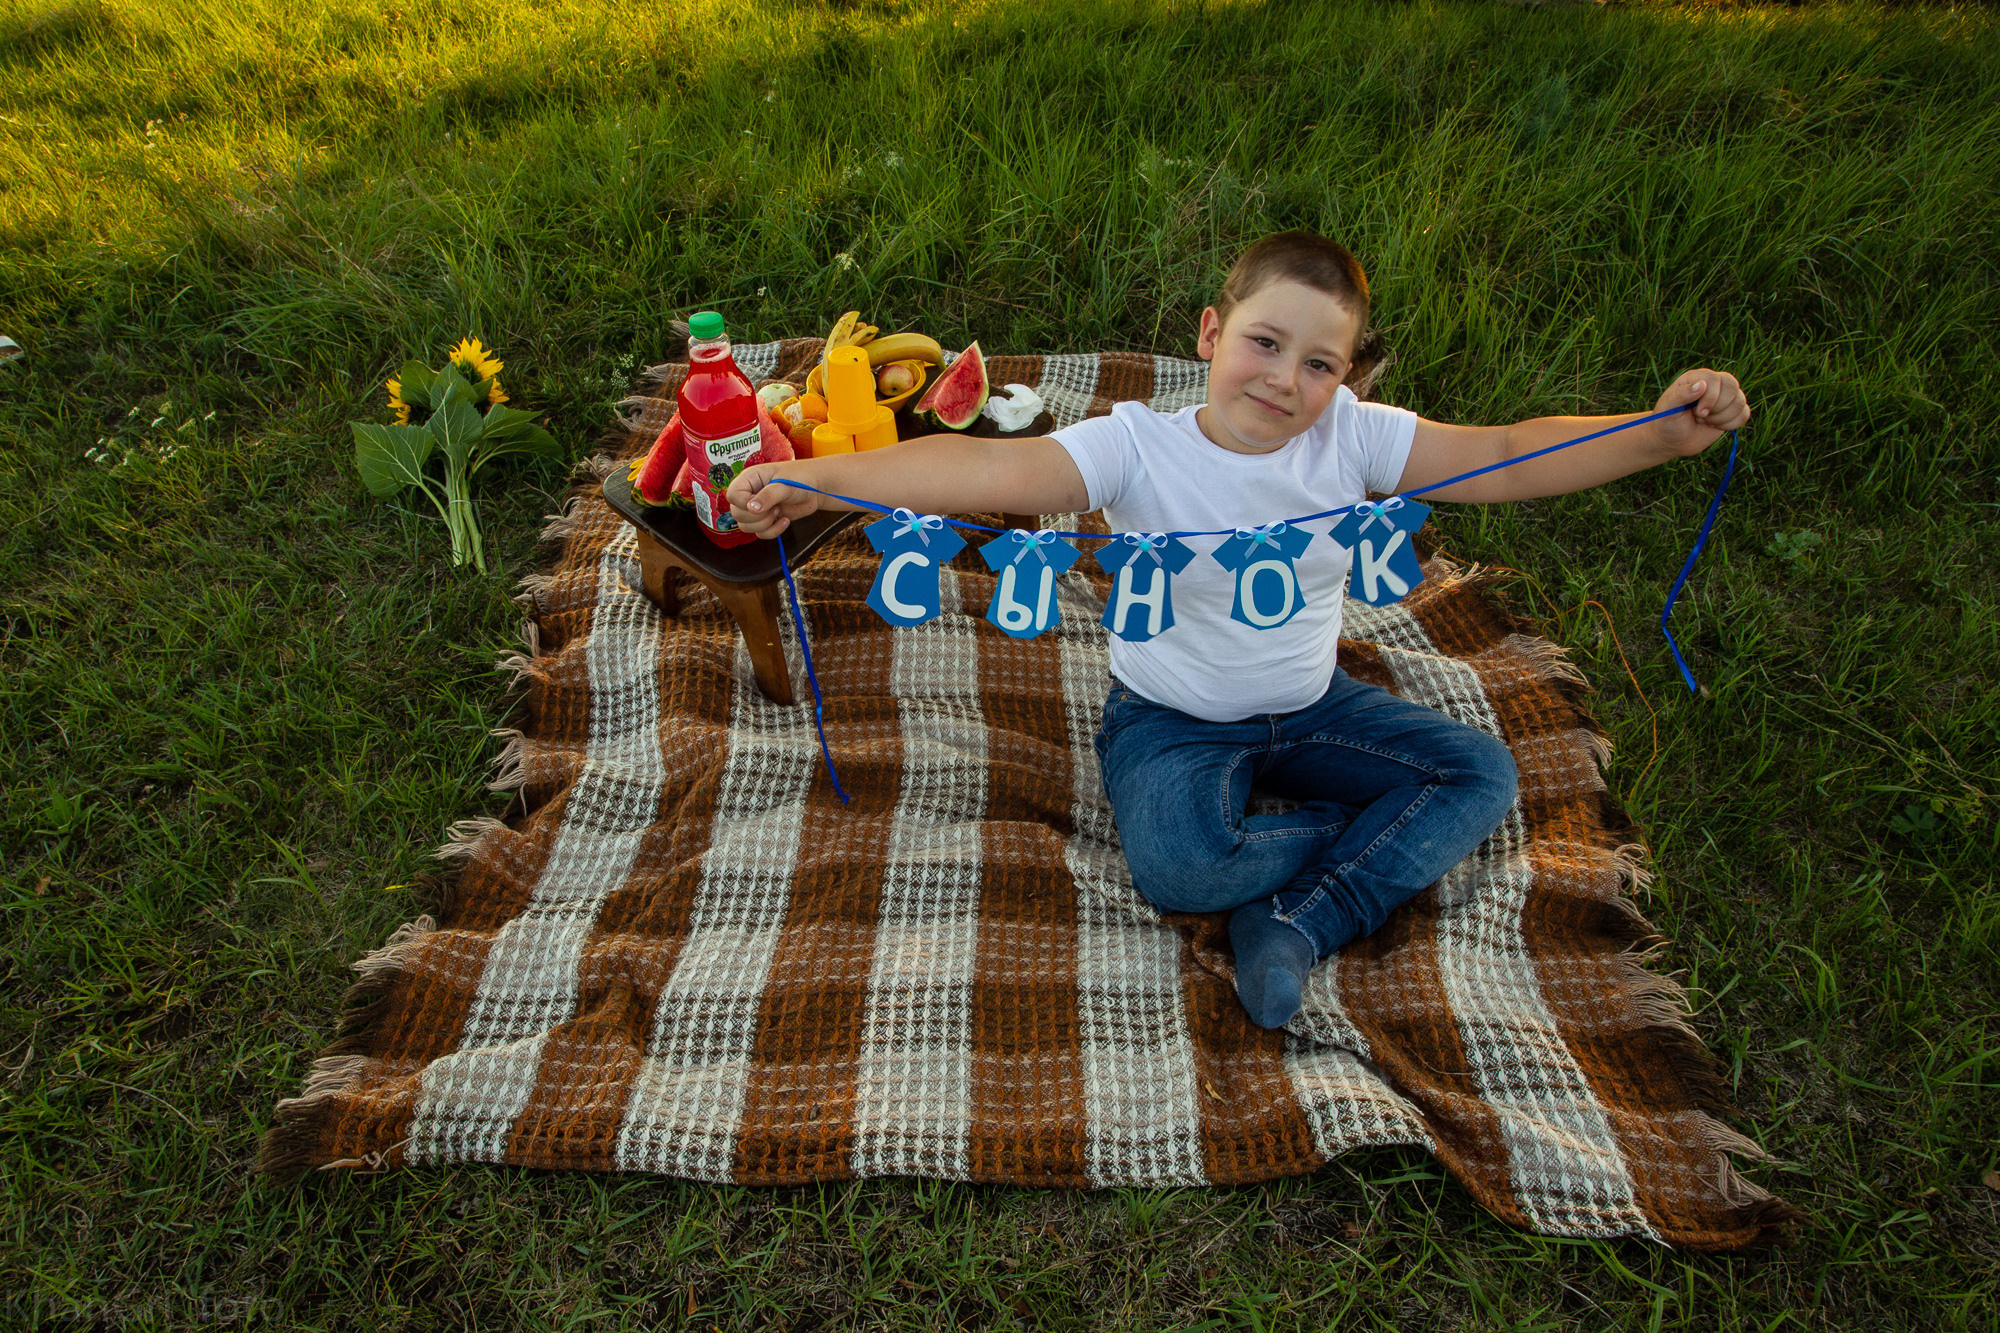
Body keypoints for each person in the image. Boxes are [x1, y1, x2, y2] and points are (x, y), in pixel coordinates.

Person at [724, 231, 1751, 1030]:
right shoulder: (1134, 447)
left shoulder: (1352, 436)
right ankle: (1341, 860)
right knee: (1180, 867)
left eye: (1318, 363)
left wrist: (1658, 430)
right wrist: (817, 481)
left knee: (1484, 773)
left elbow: (1511, 453)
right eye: (1265, 342)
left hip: (1310, 705)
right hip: (1167, 718)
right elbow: (986, 472)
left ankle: (1301, 918)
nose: (1282, 379)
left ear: (1347, 378)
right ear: (1212, 332)